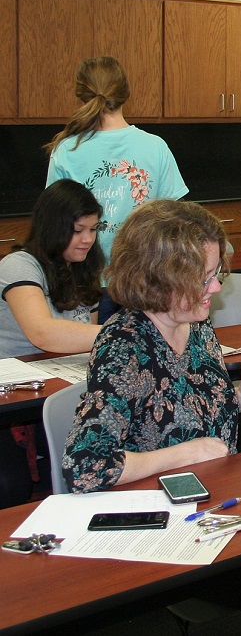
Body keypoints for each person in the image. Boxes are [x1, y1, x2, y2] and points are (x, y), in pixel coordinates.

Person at [60, 199, 241, 633]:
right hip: (162, 521)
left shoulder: (196, 326)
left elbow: (195, 417)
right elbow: (86, 468)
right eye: (203, 278)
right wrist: (185, 453)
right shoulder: (125, 346)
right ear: (159, 279)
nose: (216, 288)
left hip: (216, 499)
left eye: (216, 274)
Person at [0, 179, 104, 508]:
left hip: (57, 384)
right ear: (54, 227)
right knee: (11, 485)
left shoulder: (82, 267)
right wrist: (125, 332)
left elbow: (83, 339)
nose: (87, 239)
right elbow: (43, 333)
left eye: (94, 228)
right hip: (14, 396)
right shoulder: (19, 265)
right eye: (78, 230)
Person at [44, 56, 188, 269]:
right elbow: (176, 221)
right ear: (125, 94)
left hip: (84, 277)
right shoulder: (155, 146)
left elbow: (53, 222)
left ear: (81, 96)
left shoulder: (66, 149)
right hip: (142, 277)